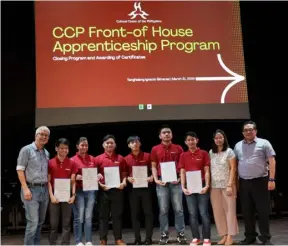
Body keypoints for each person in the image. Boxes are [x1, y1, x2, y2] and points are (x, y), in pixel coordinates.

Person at [234, 121, 276, 245]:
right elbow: (235, 165)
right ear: (242, 132)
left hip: (260, 181)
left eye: (250, 129)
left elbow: (272, 161)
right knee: (247, 212)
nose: (248, 132)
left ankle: (265, 237)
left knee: (263, 211)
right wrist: (236, 183)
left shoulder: (264, 143)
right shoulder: (237, 146)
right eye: (245, 130)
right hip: (244, 182)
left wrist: (271, 179)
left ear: (255, 131)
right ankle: (250, 236)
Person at [151, 125, 187, 245]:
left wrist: (179, 179)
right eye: (164, 132)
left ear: (172, 135)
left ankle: (180, 234)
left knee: (179, 209)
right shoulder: (155, 149)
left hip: (176, 181)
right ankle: (164, 234)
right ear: (160, 136)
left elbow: (183, 165)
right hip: (162, 182)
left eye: (169, 132)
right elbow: (154, 166)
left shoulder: (178, 148)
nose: (166, 134)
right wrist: (156, 179)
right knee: (163, 210)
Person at [16, 126, 50, 245]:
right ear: (36, 135)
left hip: (44, 190)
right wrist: (25, 188)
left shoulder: (46, 153)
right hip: (31, 189)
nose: (44, 137)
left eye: (46, 135)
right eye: (42, 134)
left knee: (40, 222)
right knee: (33, 223)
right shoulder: (26, 150)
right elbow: (20, 169)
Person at [179, 131, 211, 246]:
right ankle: (196, 237)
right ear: (185, 142)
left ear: (197, 140)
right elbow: (182, 172)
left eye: (193, 139)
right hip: (189, 187)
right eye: (188, 140)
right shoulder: (183, 155)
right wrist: (183, 187)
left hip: (202, 185)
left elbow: (207, 171)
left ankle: (206, 238)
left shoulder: (203, 153)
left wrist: (207, 185)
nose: (191, 142)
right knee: (192, 213)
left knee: (203, 213)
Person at [95, 134, 127, 245]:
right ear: (103, 145)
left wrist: (123, 183)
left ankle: (118, 239)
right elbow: (94, 176)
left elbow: (124, 174)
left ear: (115, 145)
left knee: (117, 216)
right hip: (103, 191)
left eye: (111, 143)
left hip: (117, 191)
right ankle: (103, 240)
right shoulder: (97, 159)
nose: (109, 144)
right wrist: (100, 184)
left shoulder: (121, 158)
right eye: (107, 143)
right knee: (103, 217)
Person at [209, 130, 238, 245]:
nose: (218, 140)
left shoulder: (229, 152)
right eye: (216, 138)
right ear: (214, 140)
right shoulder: (211, 152)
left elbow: (233, 168)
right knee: (218, 212)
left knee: (230, 211)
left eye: (220, 137)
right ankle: (224, 235)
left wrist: (230, 184)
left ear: (224, 138)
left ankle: (230, 236)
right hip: (214, 186)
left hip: (227, 185)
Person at [71, 137, 102, 246]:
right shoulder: (72, 160)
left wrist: (98, 175)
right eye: (82, 145)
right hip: (79, 191)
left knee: (88, 217)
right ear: (77, 146)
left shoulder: (92, 159)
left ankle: (88, 240)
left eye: (86, 145)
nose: (84, 147)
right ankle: (78, 241)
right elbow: (69, 177)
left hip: (91, 190)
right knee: (79, 217)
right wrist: (75, 177)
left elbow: (95, 173)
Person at [125, 136, 154, 245]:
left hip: (146, 189)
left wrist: (151, 177)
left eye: (137, 141)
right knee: (135, 214)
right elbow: (124, 174)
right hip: (133, 190)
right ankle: (137, 239)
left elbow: (153, 170)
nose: (135, 144)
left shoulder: (147, 156)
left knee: (148, 213)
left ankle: (148, 238)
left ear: (140, 143)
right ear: (129, 145)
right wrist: (128, 178)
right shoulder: (126, 158)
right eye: (132, 142)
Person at [48, 138, 77, 245]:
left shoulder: (72, 163)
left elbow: (73, 181)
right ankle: (53, 243)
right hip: (54, 197)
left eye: (66, 148)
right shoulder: (50, 163)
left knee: (66, 223)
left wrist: (73, 195)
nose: (64, 150)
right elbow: (48, 181)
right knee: (53, 224)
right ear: (56, 148)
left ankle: (65, 243)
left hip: (67, 197)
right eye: (61, 148)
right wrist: (51, 196)